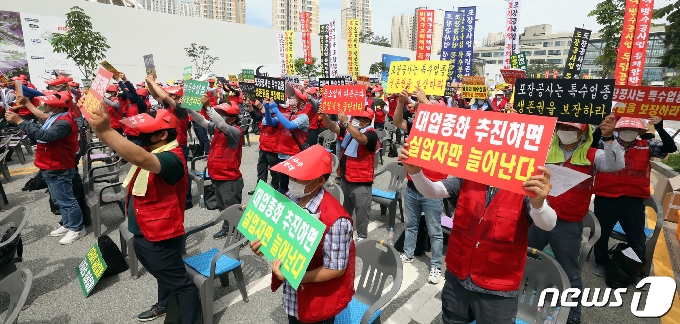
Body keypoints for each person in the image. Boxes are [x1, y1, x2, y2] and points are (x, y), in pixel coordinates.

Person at [399, 143, 557, 323]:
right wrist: (416, 173)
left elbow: (548, 224)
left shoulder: (526, 187)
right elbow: (432, 190)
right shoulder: (468, 178)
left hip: (497, 290)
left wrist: (539, 204)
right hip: (457, 280)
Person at [84, 102, 202, 323]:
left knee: (181, 285)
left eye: (144, 134)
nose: (138, 138)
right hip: (147, 230)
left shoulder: (172, 158)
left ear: (162, 135)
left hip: (161, 235)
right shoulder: (155, 149)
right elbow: (135, 152)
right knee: (164, 275)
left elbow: (140, 158)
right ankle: (166, 304)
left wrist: (106, 131)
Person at [529, 117, 623, 324]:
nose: (564, 131)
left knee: (569, 272)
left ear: (583, 133)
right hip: (538, 216)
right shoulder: (546, 150)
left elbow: (615, 164)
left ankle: (572, 315)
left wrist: (609, 139)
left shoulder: (593, 155)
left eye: (570, 128)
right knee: (522, 257)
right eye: (561, 127)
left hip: (567, 224)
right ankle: (518, 296)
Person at [250, 145, 355, 324]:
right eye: (292, 175)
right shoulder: (290, 197)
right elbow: (280, 236)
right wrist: (263, 245)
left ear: (320, 181)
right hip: (293, 297)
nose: (292, 180)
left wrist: (295, 276)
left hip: (317, 301)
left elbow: (337, 268)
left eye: (301, 178)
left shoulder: (336, 221)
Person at [592, 116, 677, 278]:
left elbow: (670, 148)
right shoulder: (605, 143)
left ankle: (635, 266)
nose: (628, 132)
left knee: (636, 236)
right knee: (601, 233)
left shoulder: (647, 145)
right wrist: (601, 125)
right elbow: (591, 144)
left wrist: (660, 127)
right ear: (617, 130)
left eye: (632, 130)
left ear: (639, 131)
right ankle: (601, 262)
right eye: (624, 129)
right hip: (606, 196)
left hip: (633, 199)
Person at [7, 91, 84, 244]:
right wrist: (27, 105)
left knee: (66, 199)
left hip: (58, 166)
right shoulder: (57, 117)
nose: (44, 106)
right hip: (50, 164)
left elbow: (44, 136)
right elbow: (43, 118)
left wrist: (20, 121)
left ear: (57, 108)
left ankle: (77, 228)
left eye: (47, 104)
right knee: (59, 198)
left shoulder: (63, 122)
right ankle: (67, 224)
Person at [393, 88, 448, 284]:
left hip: (434, 187)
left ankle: (435, 266)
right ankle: (408, 253)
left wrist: (424, 100)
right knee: (411, 224)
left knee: (435, 230)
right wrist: (400, 103)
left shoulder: (443, 132)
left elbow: (440, 117)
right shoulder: (416, 127)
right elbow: (398, 122)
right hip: (413, 185)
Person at [188, 97, 244, 239]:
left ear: (231, 119)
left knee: (232, 208)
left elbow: (221, 124)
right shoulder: (218, 130)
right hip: (217, 176)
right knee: (222, 207)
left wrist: (208, 108)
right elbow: (202, 121)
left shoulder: (234, 132)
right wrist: (188, 109)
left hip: (229, 179)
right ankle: (227, 227)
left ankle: (240, 236)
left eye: (222, 114)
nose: (219, 116)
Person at [319, 109, 379, 241]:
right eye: (355, 117)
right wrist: (324, 117)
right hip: (346, 178)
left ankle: (362, 237)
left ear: (367, 121)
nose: (355, 120)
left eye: (359, 118)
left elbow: (361, 139)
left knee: (362, 212)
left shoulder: (371, 134)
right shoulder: (350, 131)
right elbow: (333, 127)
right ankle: (346, 232)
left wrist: (347, 123)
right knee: (345, 210)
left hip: (361, 181)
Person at [146, 76, 194, 210]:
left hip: (180, 146)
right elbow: (156, 95)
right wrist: (149, 82)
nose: (169, 97)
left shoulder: (182, 110)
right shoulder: (167, 108)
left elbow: (165, 97)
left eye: (174, 95)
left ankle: (187, 200)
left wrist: (152, 82)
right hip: (167, 145)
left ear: (179, 99)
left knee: (182, 173)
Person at [264, 89, 312, 194]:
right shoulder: (286, 114)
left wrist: (275, 110)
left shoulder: (303, 117)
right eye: (291, 98)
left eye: (295, 98)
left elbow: (289, 126)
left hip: (295, 156)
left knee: (295, 187)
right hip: (282, 155)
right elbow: (269, 122)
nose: (291, 100)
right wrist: (267, 109)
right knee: (283, 185)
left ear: (302, 103)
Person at [249, 98, 280, 195]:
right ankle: (260, 189)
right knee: (261, 169)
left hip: (273, 149)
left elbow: (268, 121)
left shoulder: (277, 116)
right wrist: (250, 106)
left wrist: (263, 107)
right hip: (263, 147)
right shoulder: (264, 113)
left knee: (274, 171)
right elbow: (256, 116)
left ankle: (276, 190)